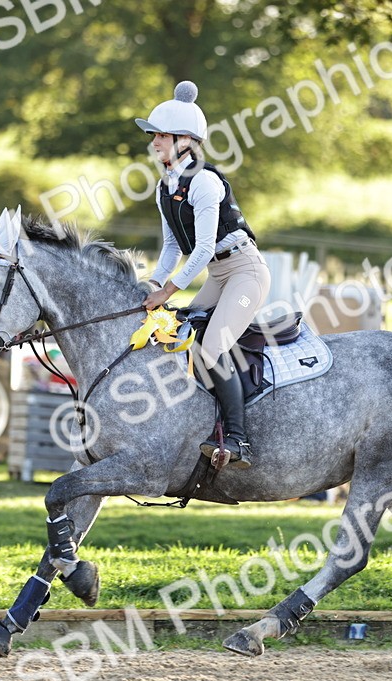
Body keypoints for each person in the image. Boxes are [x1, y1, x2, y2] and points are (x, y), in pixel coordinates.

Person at [137, 81, 269, 469]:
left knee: (212, 347)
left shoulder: (205, 182)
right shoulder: (165, 186)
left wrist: (170, 290)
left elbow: (205, 249)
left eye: (161, 135)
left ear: (185, 141)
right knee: (184, 337)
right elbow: (172, 247)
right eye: (154, 135)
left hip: (245, 272)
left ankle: (241, 441)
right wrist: (154, 284)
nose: (154, 141)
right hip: (217, 275)